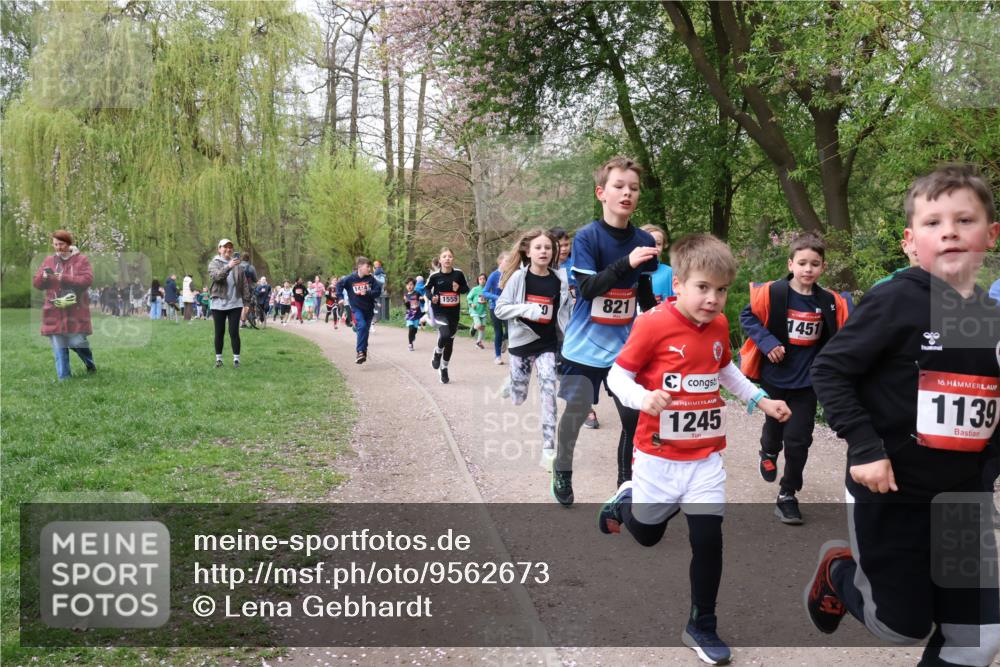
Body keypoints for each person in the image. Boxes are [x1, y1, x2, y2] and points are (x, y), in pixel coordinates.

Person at [807, 164, 1000, 665]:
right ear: (911, 240)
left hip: (962, 504)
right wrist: (866, 448)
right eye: (935, 223)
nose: (951, 231)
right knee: (900, 627)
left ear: (991, 235)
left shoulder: (989, 316)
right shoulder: (895, 300)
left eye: (965, 220)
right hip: (893, 494)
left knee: (977, 640)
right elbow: (830, 371)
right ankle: (838, 572)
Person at [599, 233, 791, 666]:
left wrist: (760, 399)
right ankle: (626, 498)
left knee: (709, 540)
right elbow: (617, 378)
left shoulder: (720, 325)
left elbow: (726, 371)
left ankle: (701, 624)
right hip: (657, 457)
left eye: (721, 290)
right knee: (646, 535)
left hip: (705, 457)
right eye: (703, 288)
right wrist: (642, 398)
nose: (712, 299)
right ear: (679, 284)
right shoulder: (653, 323)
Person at [553, 156, 660, 505]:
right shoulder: (587, 237)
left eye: (633, 188)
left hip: (624, 351)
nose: (626, 193)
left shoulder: (644, 238)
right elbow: (588, 289)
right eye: (618, 186)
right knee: (574, 415)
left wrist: (657, 322)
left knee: (633, 420)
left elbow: (642, 292)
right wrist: (625, 263)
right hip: (582, 350)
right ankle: (562, 470)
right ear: (601, 192)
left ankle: (624, 489)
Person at [737, 232, 851, 524]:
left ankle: (788, 494)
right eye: (802, 263)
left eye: (815, 264)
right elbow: (747, 316)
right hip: (775, 378)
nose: (808, 269)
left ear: (822, 267)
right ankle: (769, 451)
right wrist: (767, 343)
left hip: (808, 382)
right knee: (775, 428)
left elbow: (841, 333)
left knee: (799, 439)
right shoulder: (773, 293)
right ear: (791, 263)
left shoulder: (829, 301)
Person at [495, 229, 571, 470]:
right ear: (527, 251)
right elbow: (500, 309)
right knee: (519, 397)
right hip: (521, 344)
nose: (543, 252)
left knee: (549, 391)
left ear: (553, 252)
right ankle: (512, 381)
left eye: (548, 248)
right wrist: (525, 309)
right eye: (538, 247)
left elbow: (563, 313)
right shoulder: (518, 278)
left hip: (547, 345)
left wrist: (568, 337)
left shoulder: (560, 279)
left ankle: (548, 449)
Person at [32, 230, 97, 379]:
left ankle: (90, 364)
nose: (58, 247)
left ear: (68, 244)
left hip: (76, 310)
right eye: (55, 244)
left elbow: (87, 281)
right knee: (59, 346)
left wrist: (65, 277)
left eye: (61, 244)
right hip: (54, 310)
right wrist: (42, 277)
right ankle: (64, 379)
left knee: (78, 341)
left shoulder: (81, 260)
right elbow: (37, 283)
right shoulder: (49, 261)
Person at [427, 247, 470, 384]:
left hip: (453, 313)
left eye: (450, 256)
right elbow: (426, 289)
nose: (447, 259)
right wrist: (432, 296)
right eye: (444, 256)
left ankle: (444, 368)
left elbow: (466, 289)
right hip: (439, 311)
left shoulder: (458, 274)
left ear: (453, 259)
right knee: (444, 335)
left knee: (450, 341)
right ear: (440, 260)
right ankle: (437, 352)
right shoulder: (434, 276)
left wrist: (459, 289)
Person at [207, 239, 252, 368]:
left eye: (230, 247)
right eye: (225, 247)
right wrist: (228, 266)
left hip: (235, 303)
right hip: (218, 304)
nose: (228, 249)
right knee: (219, 332)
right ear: (219, 249)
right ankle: (219, 359)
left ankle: (236, 360)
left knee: (234, 332)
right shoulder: (213, 264)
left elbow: (244, 285)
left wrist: (246, 303)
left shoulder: (239, 266)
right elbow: (217, 277)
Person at [337, 256, 382, 364]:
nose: (370, 269)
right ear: (360, 267)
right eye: (368, 266)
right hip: (357, 309)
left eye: (370, 266)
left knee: (364, 330)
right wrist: (340, 298)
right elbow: (339, 285)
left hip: (369, 309)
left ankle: (363, 352)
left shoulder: (371, 279)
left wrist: (367, 292)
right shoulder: (350, 279)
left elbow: (378, 291)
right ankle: (360, 351)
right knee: (361, 326)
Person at [483, 252, 509, 365]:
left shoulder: (511, 275)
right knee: (498, 332)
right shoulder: (494, 275)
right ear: (500, 261)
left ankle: (504, 339)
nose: (508, 263)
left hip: (508, 307)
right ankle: (498, 357)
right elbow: (485, 292)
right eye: (506, 261)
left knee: (510, 331)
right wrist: (497, 297)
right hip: (495, 308)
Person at [641, 223, 675, 305]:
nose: (653, 247)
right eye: (649, 242)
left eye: (658, 243)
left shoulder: (670, 272)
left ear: (663, 246)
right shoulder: (629, 271)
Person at [467, 273, 489, 349]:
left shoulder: (487, 289)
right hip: (475, 311)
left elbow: (488, 299)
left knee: (482, 327)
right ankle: (473, 327)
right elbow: (468, 298)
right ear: (478, 280)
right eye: (480, 279)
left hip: (483, 311)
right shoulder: (475, 289)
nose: (482, 280)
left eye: (484, 279)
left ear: (486, 280)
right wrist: (471, 304)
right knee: (478, 325)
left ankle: (478, 342)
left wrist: (486, 301)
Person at [403, 278, 421, 351]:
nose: (409, 286)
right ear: (406, 286)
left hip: (416, 314)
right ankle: (410, 344)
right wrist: (406, 302)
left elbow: (421, 299)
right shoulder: (405, 295)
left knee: (414, 330)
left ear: (414, 286)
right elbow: (407, 306)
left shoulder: (417, 293)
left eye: (411, 284)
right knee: (411, 328)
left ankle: (413, 336)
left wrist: (423, 299)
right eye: (408, 285)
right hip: (409, 314)